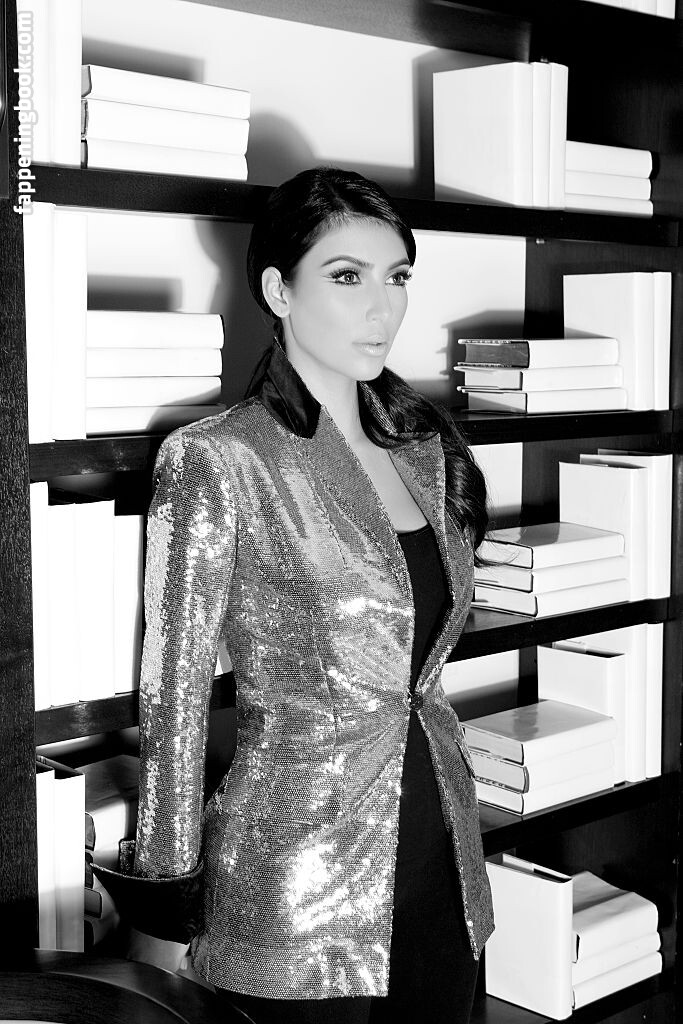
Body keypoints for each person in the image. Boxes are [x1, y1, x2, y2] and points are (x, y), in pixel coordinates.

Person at [94, 167, 494, 1024]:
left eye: (396, 277)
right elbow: (172, 701)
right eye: (346, 277)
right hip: (294, 887)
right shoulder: (219, 458)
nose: (381, 307)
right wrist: (164, 909)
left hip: (443, 865)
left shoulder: (423, 449)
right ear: (279, 290)